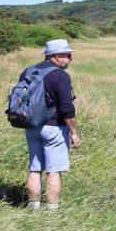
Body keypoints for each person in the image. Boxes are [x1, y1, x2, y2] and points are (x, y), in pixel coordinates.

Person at [23, 39, 81, 210]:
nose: (70, 59)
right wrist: (74, 132)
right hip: (54, 127)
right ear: (57, 56)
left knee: (35, 169)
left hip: (31, 126)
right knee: (53, 171)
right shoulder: (60, 76)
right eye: (68, 55)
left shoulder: (28, 71)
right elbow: (67, 107)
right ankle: (52, 213)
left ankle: (33, 209)